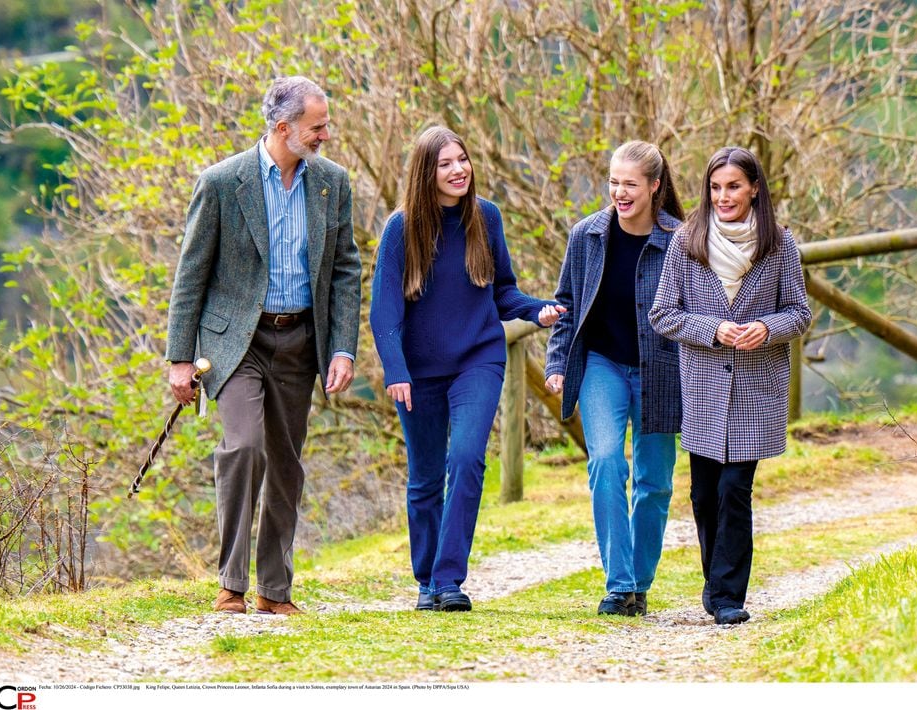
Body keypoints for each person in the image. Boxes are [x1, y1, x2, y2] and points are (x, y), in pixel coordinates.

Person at [166, 76, 361, 615]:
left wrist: (343, 348)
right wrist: (180, 358)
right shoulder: (223, 183)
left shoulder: (332, 183)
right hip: (236, 344)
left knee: (286, 463)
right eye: (317, 126)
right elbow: (190, 276)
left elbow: (346, 270)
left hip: (300, 340)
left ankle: (275, 591)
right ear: (283, 127)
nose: (326, 135)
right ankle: (232, 583)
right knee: (244, 447)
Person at [370, 125, 564, 613]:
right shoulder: (401, 228)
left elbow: (503, 291)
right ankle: (425, 580)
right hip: (417, 371)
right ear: (425, 172)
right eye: (445, 163)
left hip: (478, 358)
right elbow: (384, 310)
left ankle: (448, 578)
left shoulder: (487, 218)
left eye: (463, 160)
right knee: (425, 477)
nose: (458, 170)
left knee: (468, 458)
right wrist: (395, 370)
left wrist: (535, 310)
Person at [649, 146, 811, 625]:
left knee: (736, 490)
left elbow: (799, 313)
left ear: (754, 188)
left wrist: (766, 327)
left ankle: (727, 596)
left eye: (734, 186)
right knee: (704, 494)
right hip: (702, 389)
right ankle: (714, 583)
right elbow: (663, 314)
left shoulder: (781, 245)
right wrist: (713, 330)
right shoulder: (686, 242)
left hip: (757, 388)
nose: (724, 196)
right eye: (716, 187)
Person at [544, 141, 683, 616]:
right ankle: (619, 585)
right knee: (605, 461)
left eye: (630, 184)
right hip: (601, 365)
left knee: (655, 482)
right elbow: (566, 306)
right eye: (613, 183)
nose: (620, 193)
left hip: (663, 370)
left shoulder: (680, 241)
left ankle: (640, 583)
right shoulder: (587, 235)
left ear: (654, 187)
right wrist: (558, 364)